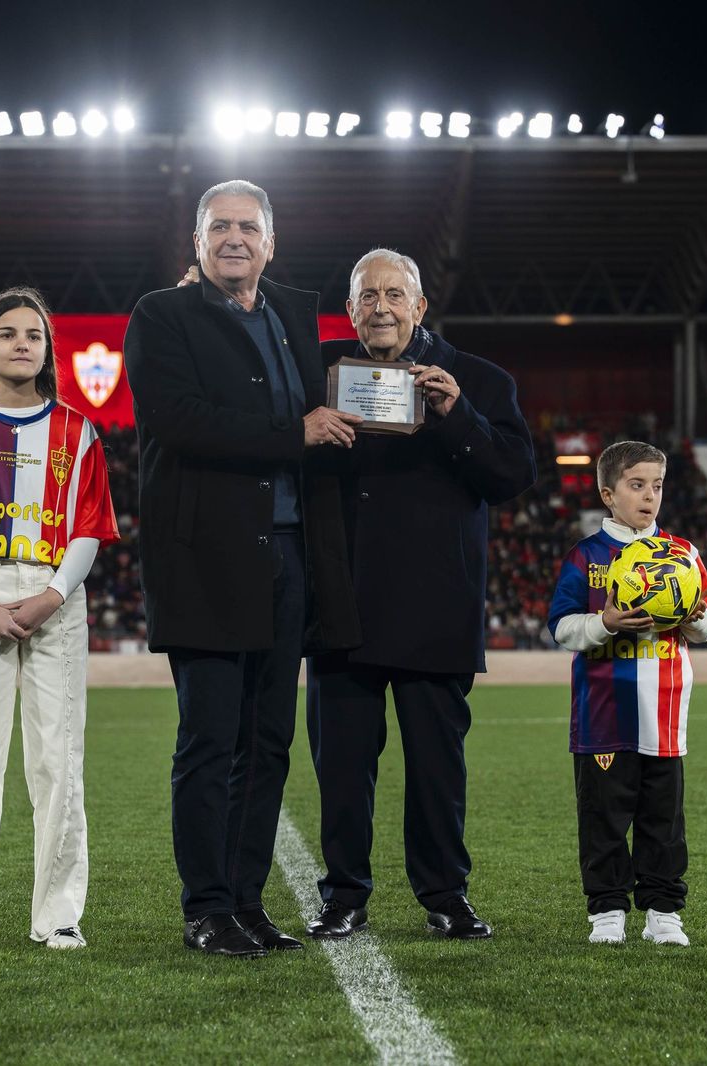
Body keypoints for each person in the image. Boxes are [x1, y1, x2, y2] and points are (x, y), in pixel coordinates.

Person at [124, 180, 362, 959]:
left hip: (287, 556)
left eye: (248, 226)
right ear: (196, 241)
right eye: (219, 225)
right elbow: (178, 420)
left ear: (271, 241)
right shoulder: (162, 315)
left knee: (268, 743)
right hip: (205, 559)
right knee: (209, 740)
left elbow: (338, 395)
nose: (234, 237)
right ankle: (205, 908)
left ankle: (248, 903)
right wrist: (294, 433)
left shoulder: (291, 313)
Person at [304, 249, 536, 942]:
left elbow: (514, 474)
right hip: (341, 600)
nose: (380, 306)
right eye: (367, 295)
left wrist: (458, 414)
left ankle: (445, 894)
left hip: (435, 603)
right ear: (349, 310)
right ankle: (344, 894)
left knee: (438, 767)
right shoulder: (319, 378)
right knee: (342, 766)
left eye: (394, 293)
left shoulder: (481, 381)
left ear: (420, 305)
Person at [0, 286, 119, 954]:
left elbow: (91, 527)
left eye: (32, 335)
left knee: (59, 763)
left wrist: (52, 596)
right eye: (6, 334)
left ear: (46, 350)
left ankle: (58, 915)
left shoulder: (78, 430)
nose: (20, 344)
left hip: (52, 600)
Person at [546, 440, 707, 947]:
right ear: (608, 493)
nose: (649, 496)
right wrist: (605, 622)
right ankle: (607, 912)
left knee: (662, 820)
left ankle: (664, 912)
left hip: (665, 714)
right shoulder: (587, 556)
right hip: (603, 714)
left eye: (658, 486)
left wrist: (693, 620)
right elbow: (560, 628)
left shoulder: (683, 555)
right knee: (603, 818)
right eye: (637, 485)